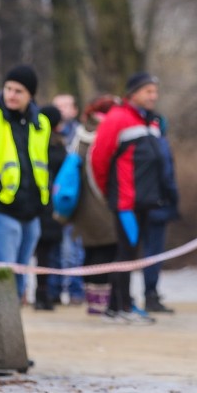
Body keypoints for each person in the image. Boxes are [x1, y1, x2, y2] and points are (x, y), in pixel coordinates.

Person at [91, 72, 171, 324]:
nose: (153, 96)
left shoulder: (151, 122)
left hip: (147, 201)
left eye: (155, 91)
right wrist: (109, 193)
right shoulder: (117, 118)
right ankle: (119, 307)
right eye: (148, 91)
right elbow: (98, 159)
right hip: (126, 202)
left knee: (132, 253)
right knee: (125, 253)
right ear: (133, 93)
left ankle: (122, 304)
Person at [0, 64, 51, 303]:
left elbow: (40, 166)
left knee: (19, 282)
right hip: (2, 208)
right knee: (3, 277)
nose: (11, 95)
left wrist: (42, 201)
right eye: (8, 88)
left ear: (30, 95)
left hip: (31, 212)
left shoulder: (41, 123)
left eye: (19, 91)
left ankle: (11, 330)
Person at [66, 95, 122, 317]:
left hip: (82, 205)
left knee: (90, 252)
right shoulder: (104, 132)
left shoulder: (80, 133)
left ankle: (93, 302)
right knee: (106, 251)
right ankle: (102, 302)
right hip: (100, 202)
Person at [141, 116, 179, 314]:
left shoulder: (136, 142)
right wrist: (173, 201)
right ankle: (150, 294)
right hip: (157, 205)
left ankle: (126, 296)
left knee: (134, 252)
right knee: (153, 252)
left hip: (135, 206)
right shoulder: (160, 144)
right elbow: (167, 175)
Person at [52, 93, 86, 305]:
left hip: (77, 201)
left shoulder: (82, 136)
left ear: (75, 110)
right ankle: (56, 289)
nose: (63, 110)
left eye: (67, 105)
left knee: (75, 249)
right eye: (59, 106)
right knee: (60, 249)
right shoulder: (47, 134)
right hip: (56, 200)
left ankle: (76, 289)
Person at [33, 105, 67, 311]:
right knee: (45, 253)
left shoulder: (46, 142)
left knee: (46, 253)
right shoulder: (51, 145)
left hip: (48, 203)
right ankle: (44, 293)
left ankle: (46, 292)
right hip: (48, 204)